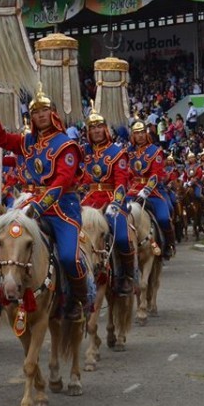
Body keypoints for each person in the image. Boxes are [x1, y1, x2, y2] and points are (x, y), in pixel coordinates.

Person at [0, 84, 89, 321]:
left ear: (53, 114)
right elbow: (0, 138)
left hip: (61, 208)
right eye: (35, 112)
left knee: (68, 257)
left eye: (44, 110)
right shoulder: (28, 142)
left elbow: (63, 181)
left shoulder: (66, 145)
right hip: (29, 202)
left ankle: (79, 299)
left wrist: (38, 206)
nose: (40, 115)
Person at [79, 108, 135, 296]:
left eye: (99, 127)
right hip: (89, 200)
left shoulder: (117, 152)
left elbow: (121, 183)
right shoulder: (84, 152)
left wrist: (116, 204)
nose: (96, 131)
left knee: (121, 238)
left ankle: (127, 275)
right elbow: (81, 179)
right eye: (92, 128)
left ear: (106, 129)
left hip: (112, 200)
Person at [127, 120, 176, 259]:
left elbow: (155, 174)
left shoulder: (155, 151)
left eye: (142, 132)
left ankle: (169, 245)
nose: (140, 136)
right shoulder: (128, 152)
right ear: (133, 135)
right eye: (137, 133)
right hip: (133, 190)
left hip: (152, 191)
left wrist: (146, 191)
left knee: (164, 218)